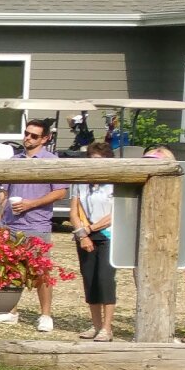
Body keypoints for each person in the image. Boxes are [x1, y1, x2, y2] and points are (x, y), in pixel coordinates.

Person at [0, 117, 65, 332]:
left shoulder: (52, 161)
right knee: (12, 270)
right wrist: (0, 220)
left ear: (45, 138)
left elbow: (60, 191)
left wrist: (31, 204)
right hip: (12, 223)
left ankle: (45, 314)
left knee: (40, 271)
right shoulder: (14, 161)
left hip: (37, 224)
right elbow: (4, 192)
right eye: (26, 133)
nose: (28, 138)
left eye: (34, 135)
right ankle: (11, 311)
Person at [68, 139, 120, 342]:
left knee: (105, 279)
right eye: (91, 160)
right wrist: (82, 234)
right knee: (89, 280)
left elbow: (116, 214)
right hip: (84, 235)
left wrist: (90, 229)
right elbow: (74, 211)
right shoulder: (81, 183)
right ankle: (96, 325)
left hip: (107, 235)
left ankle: (107, 327)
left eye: (98, 160)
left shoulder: (114, 184)